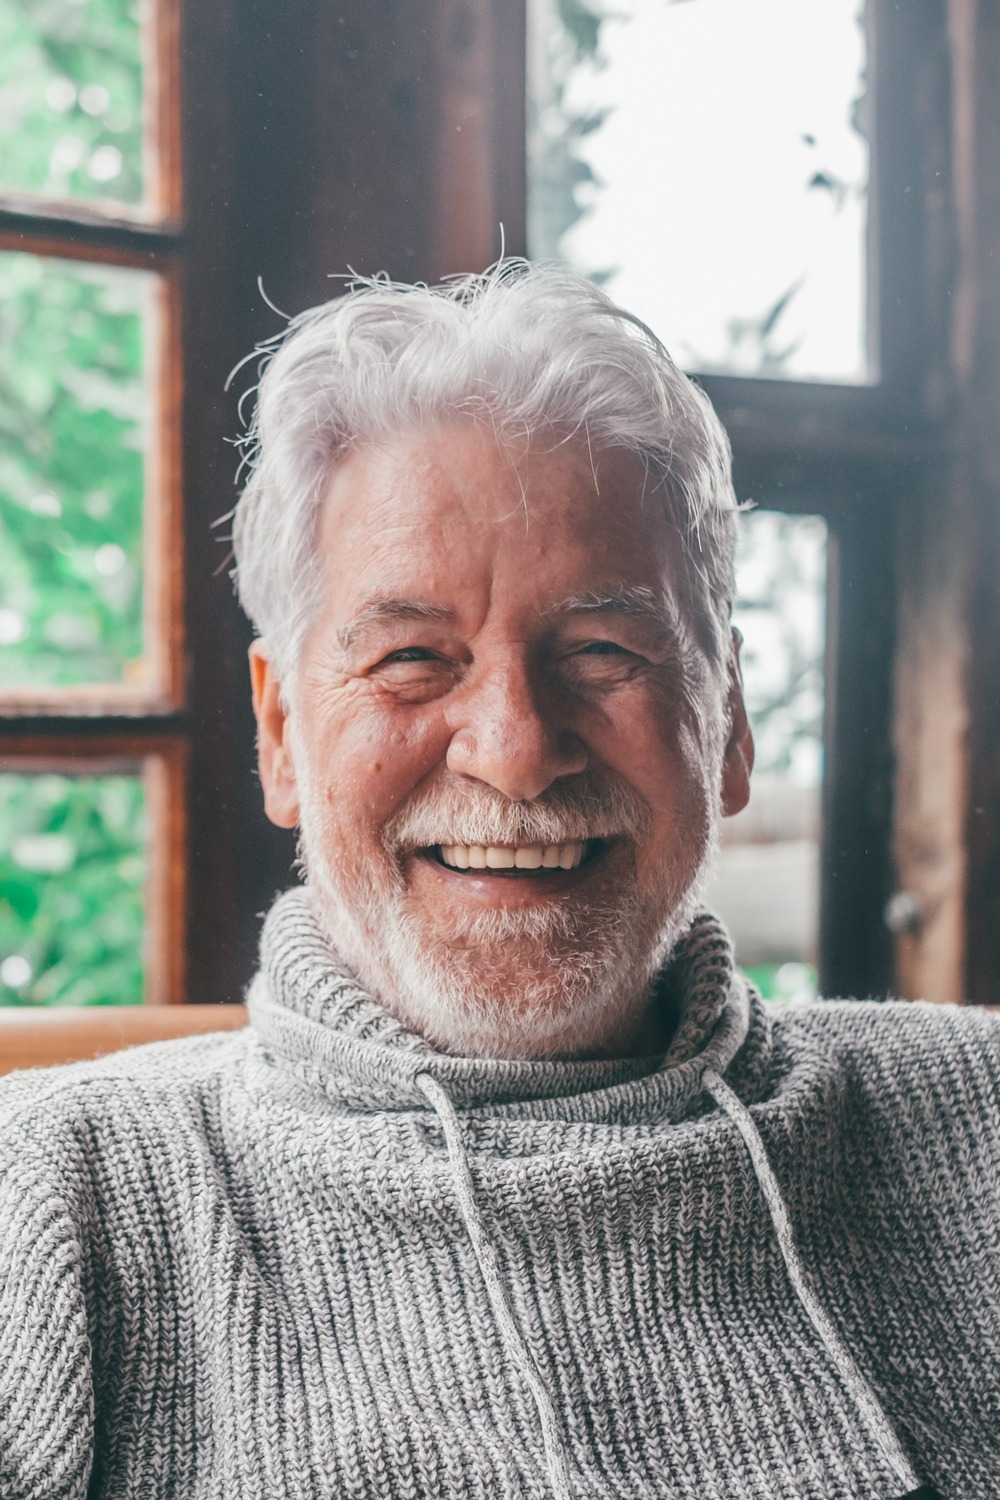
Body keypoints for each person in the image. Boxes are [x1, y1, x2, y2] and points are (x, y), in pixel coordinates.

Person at [0, 262, 995, 1500]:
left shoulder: (981, 1119)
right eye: (413, 658)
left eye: (601, 652)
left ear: (728, 722)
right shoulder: (45, 1207)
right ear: (277, 736)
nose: (516, 750)